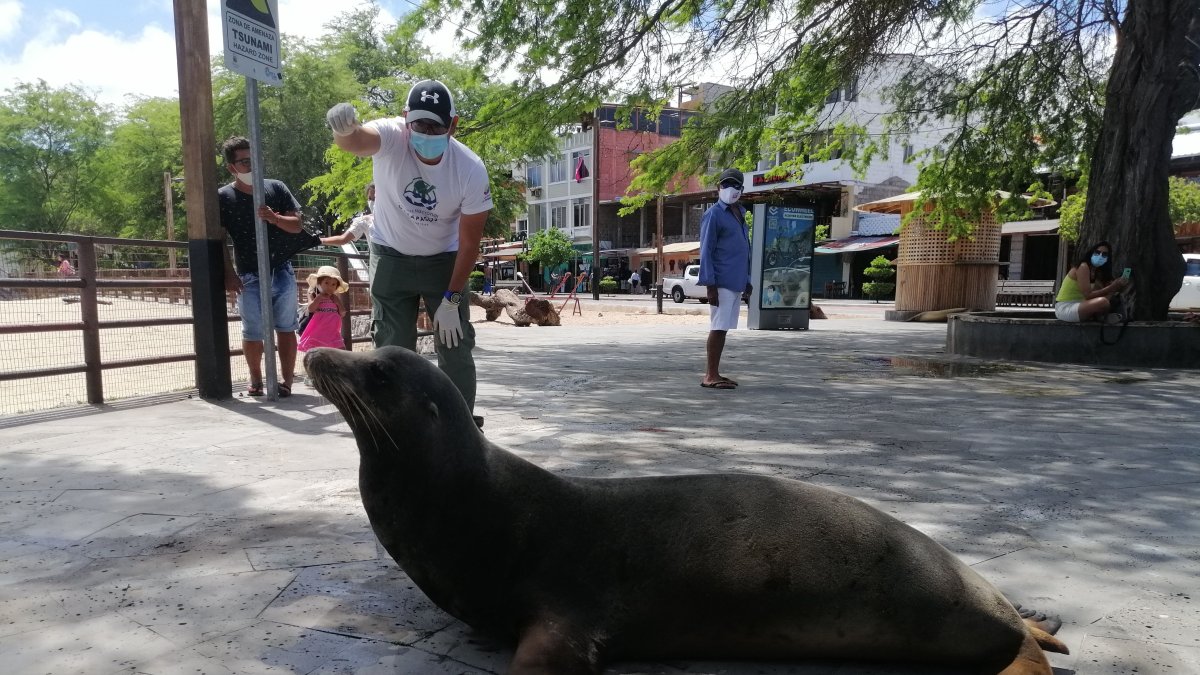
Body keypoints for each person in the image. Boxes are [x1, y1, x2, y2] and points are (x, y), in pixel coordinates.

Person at [326, 79, 492, 427]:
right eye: (419, 124)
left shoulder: (470, 168)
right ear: (405, 119)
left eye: (436, 126)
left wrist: (451, 299)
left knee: (455, 345)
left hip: (444, 262)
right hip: (391, 257)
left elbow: (470, 243)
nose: (426, 133)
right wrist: (344, 130)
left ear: (453, 125)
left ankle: (459, 427)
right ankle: (393, 425)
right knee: (391, 348)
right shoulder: (391, 137)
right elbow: (357, 141)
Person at [218, 135, 318, 398]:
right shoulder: (224, 197)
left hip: (281, 270)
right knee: (252, 330)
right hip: (248, 274)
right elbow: (219, 239)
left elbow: (296, 225)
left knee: (286, 327)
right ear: (232, 167)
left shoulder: (275, 188)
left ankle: (286, 381)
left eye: (254, 159)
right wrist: (228, 274)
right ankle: (255, 379)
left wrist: (274, 218)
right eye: (244, 162)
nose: (251, 165)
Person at [698, 168, 752, 389]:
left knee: (724, 328)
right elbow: (706, 250)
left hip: (735, 281)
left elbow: (744, 250)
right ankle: (710, 375)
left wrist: (747, 281)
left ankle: (715, 372)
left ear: (742, 189)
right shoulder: (713, 214)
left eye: (736, 185)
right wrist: (710, 285)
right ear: (718, 188)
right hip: (720, 281)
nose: (731, 189)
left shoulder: (739, 214)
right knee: (718, 327)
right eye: (726, 184)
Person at [1054, 240, 1129, 322]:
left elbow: (1101, 293)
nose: (1100, 256)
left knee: (1107, 298)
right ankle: (1102, 317)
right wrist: (1111, 287)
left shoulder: (1097, 272)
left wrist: (1116, 287)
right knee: (1102, 302)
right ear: (1091, 252)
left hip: (1082, 305)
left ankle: (1102, 317)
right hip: (1066, 307)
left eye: (1104, 254)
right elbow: (1088, 295)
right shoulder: (1083, 266)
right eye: (1097, 252)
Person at [298, 265, 349, 352]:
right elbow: (311, 309)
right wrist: (318, 298)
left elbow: (343, 313)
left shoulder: (335, 298)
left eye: (333, 284)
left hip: (332, 332)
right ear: (319, 283)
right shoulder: (313, 294)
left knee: (341, 351)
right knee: (318, 353)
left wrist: (338, 303)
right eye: (326, 283)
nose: (330, 287)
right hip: (317, 332)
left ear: (336, 287)